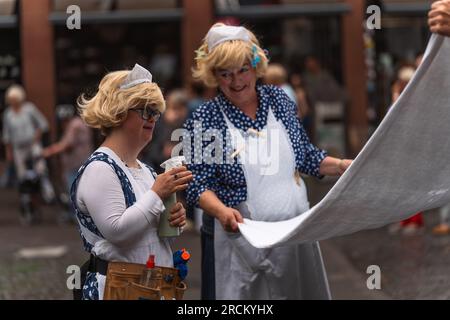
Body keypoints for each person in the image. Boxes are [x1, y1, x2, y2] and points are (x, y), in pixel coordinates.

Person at [183, 23, 352, 300]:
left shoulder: (280, 101)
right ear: (214, 76)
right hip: (240, 244)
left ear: (255, 66)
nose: (236, 82)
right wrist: (221, 212)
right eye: (225, 74)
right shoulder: (203, 119)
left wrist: (342, 165)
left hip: (294, 234)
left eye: (242, 71)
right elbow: (197, 185)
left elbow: (307, 157)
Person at [72, 64, 192, 300]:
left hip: (153, 287)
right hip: (120, 290)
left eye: (156, 111)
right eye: (146, 111)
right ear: (118, 111)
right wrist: (157, 194)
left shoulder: (145, 169)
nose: (154, 118)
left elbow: (154, 236)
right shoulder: (100, 168)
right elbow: (118, 231)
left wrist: (172, 220)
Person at [2, 84, 55, 223]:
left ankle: (46, 188)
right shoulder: (8, 114)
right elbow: (7, 135)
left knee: (40, 166)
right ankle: (25, 197)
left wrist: (35, 139)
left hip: (32, 144)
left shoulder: (29, 109)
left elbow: (43, 125)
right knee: (22, 174)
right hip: (18, 148)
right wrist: (8, 152)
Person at [43, 104, 93, 223]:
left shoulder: (74, 125)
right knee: (76, 190)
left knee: (74, 191)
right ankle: (76, 215)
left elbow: (66, 145)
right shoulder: (77, 123)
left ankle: (78, 217)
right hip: (78, 163)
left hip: (77, 163)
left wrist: (48, 151)